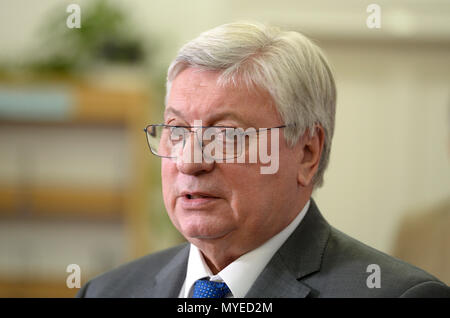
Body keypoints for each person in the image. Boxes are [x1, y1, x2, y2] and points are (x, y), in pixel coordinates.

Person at [77, 22, 449, 298]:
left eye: (226, 135)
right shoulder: (106, 292)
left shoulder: (398, 295)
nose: (190, 162)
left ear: (307, 153)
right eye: (176, 130)